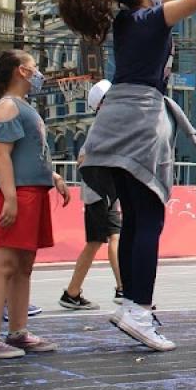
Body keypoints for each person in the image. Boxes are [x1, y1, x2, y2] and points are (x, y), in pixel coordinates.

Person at [56, 0, 196, 350]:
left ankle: (131, 303)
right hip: (142, 120)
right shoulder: (152, 19)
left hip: (117, 118)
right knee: (148, 221)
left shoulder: (128, 19)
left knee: (132, 220)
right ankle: (139, 310)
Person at [0, 50, 70, 358]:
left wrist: (52, 176)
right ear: (21, 71)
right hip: (17, 194)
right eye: (34, 67)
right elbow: (1, 156)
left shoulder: (19, 107)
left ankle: (17, 332)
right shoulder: (6, 107)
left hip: (31, 192)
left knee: (24, 267)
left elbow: (26, 152)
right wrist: (11, 198)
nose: (39, 73)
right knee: (4, 264)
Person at [58, 80, 123, 310]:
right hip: (98, 192)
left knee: (113, 238)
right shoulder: (103, 125)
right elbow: (84, 159)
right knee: (95, 242)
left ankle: (120, 287)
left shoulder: (109, 123)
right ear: (103, 103)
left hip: (106, 192)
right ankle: (73, 292)